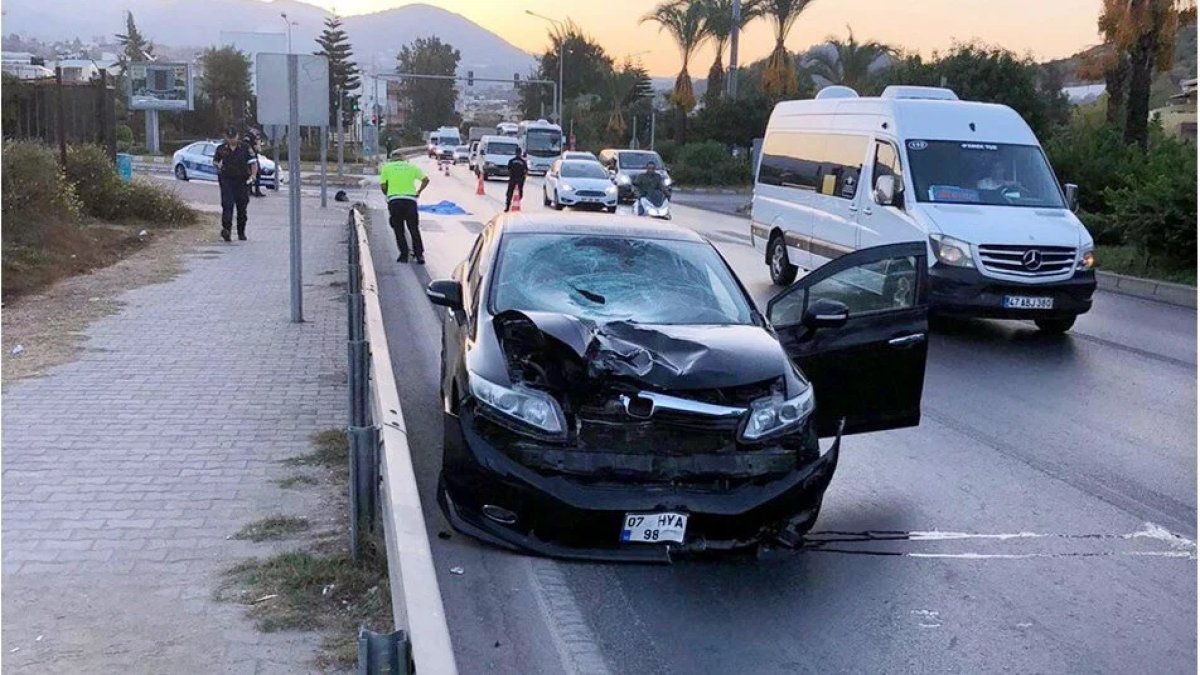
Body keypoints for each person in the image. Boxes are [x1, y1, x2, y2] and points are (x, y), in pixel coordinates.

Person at [379, 150, 430, 264]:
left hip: (395, 201)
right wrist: (419, 191)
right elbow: (426, 180)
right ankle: (419, 255)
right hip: (410, 201)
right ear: (403, 158)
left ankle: (404, 254)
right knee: (413, 228)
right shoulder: (411, 167)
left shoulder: (386, 168)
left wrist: (388, 194)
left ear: (392, 158)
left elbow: (383, 185)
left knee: (398, 229)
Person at [213, 126, 257, 242]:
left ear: (238, 136)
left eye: (234, 137)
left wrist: (253, 175)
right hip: (227, 181)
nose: (232, 140)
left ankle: (241, 232)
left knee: (242, 208)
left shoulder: (246, 148)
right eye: (229, 137)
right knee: (227, 206)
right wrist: (218, 165)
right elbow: (215, 162)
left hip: (242, 181)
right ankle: (226, 230)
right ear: (226, 137)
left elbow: (253, 163)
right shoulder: (221, 149)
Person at [243, 128, 265, 197]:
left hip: (249, 158)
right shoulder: (251, 137)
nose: (257, 133)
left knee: (251, 174)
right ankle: (256, 190)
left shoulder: (248, 137)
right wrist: (258, 143)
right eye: (256, 131)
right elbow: (257, 149)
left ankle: (250, 190)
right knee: (257, 174)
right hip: (251, 158)